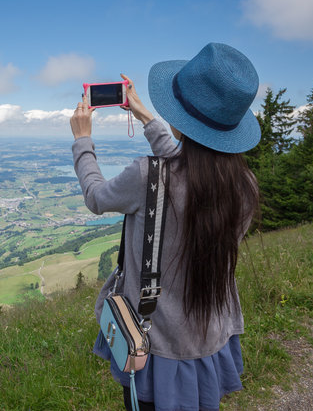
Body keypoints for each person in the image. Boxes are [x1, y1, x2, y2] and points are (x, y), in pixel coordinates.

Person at [70, 43, 261, 411]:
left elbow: (96, 197)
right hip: (210, 334)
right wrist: (143, 116)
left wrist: (82, 141)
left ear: (180, 120)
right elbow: (192, 169)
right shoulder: (245, 187)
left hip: (154, 340)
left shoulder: (148, 176)